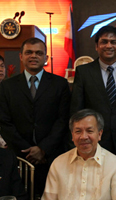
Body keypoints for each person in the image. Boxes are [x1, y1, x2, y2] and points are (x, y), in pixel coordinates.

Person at [0, 37, 70, 197]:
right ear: (21, 56)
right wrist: (28, 151)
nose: (33, 56)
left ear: (45, 58)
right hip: (18, 158)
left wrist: (43, 149)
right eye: (29, 52)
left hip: (51, 158)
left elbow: (63, 120)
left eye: (39, 53)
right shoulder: (7, 86)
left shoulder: (60, 84)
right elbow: (4, 121)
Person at [70, 25, 116, 166]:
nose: (109, 45)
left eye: (113, 42)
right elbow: (77, 110)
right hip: (94, 143)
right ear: (97, 46)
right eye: (104, 42)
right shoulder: (84, 72)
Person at [42, 109, 116, 200]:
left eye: (89, 131)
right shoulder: (58, 163)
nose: (84, 137)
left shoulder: (114, 164)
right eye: (78, 131)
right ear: (72, 135)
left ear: (99, 134)